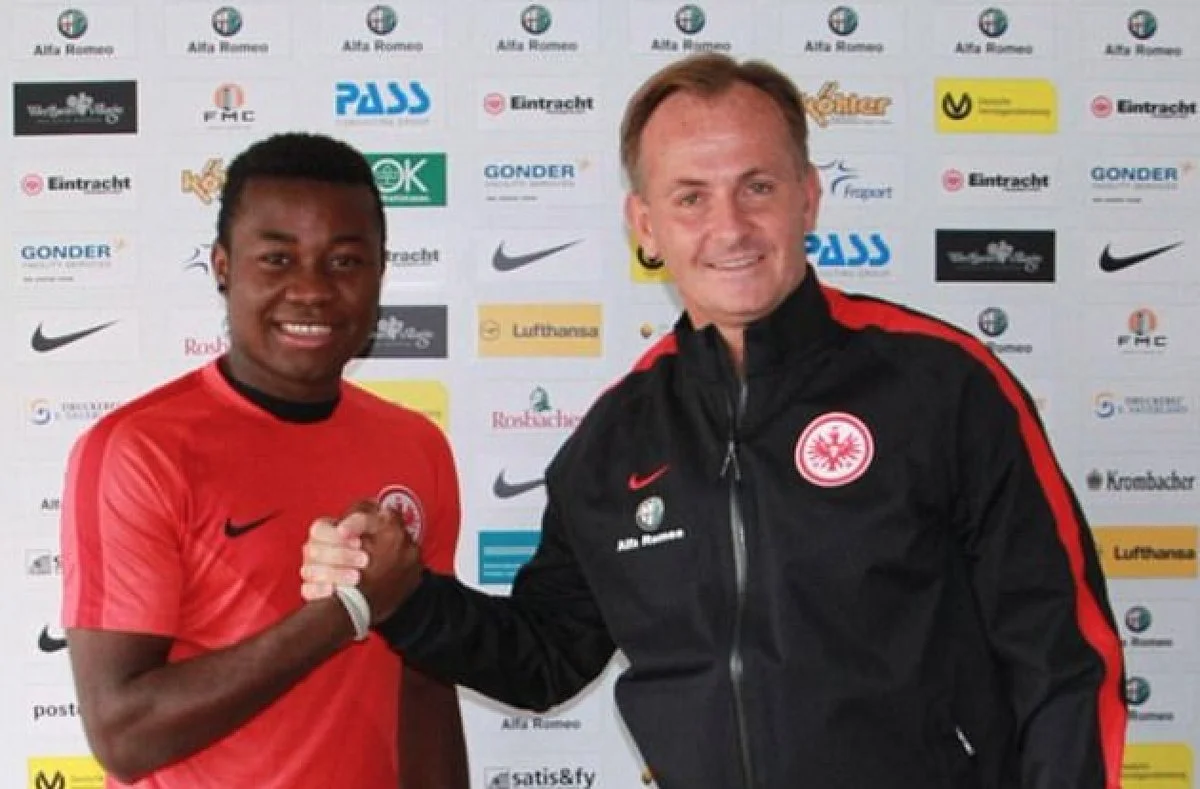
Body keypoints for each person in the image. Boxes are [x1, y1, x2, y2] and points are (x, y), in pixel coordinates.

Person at [301, 55, 1126, 788]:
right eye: (691, 197)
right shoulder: (614, 439)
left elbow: (1064, 657)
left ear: (808, 197)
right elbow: (545, 655)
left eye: (757, 187)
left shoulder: (943, 384)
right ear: (646, 227)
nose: (730, 228)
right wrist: (403, 595)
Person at [60, 133, 469, 789]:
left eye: (344, 261)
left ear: (380, 273)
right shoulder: (138, 450)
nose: (311, 290)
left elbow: (423, 684)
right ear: (223, 266)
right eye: (278, 259)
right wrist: (347, 611)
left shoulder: (417, 446)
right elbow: (124, 733)